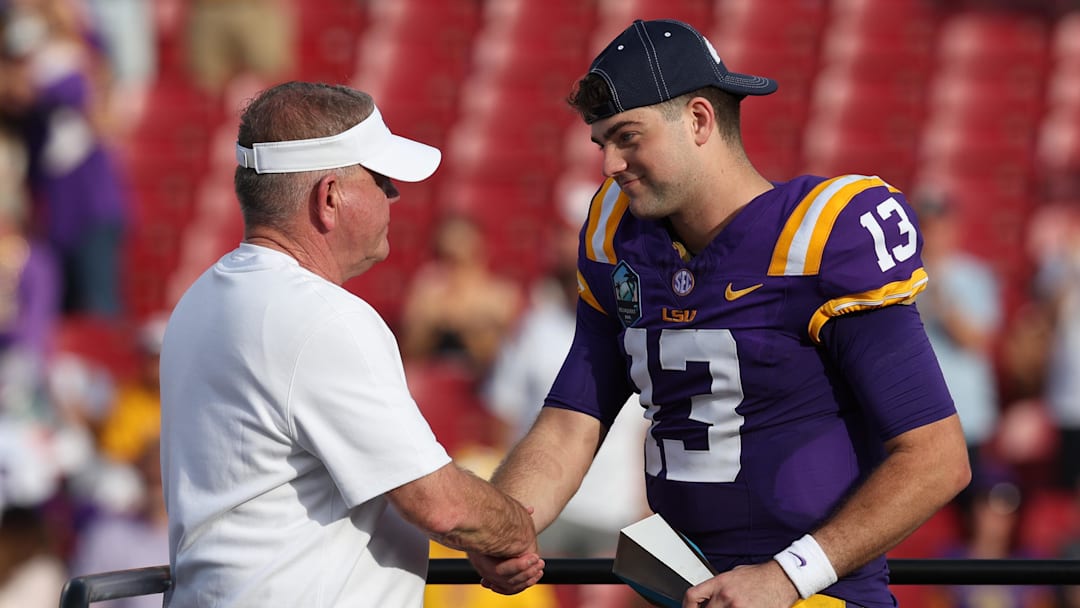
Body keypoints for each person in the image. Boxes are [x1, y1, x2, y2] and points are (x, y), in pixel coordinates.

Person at [470, 19, 971, 608]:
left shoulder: (819, 237)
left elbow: (937, 458)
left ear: (700, 120)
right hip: (680, 590)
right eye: (600, 141)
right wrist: (505, 526)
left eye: (628, 136)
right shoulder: (618, 236)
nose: (609, 163)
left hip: (812, 596)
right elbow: (570, 423)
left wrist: (788, 575)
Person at [159, 81, 542, 607]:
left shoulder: (200, 299)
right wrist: (512, 532)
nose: (394, 195)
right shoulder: (322, 317)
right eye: (381, 179)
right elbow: (438, 504)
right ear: (330, 198)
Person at [913, 190, 1002, 470]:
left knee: (982, 496)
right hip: (918, 411)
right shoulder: (900, 278)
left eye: (939, 227)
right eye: (927, 227)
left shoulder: (975, 276)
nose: (934, 236)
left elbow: (975, 340)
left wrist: (943, 303)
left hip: (966, 411)